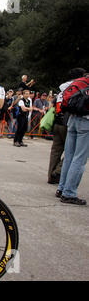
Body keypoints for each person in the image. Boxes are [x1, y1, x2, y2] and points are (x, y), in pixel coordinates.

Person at [48, 68, 86, 184]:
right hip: (69, 122)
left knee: (55, 150)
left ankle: (51, 176)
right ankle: (58, 171)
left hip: (57, 122)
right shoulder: (79, 87)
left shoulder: (62, 90)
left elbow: (52, 104)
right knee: (73, 152)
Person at [56, 71, 88, 206]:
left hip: (72, 119)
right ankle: (69, 193)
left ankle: (61, 188)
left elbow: (63, 87)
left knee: (69, 156)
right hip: (86, 122)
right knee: (79, 159)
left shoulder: (80, 81)